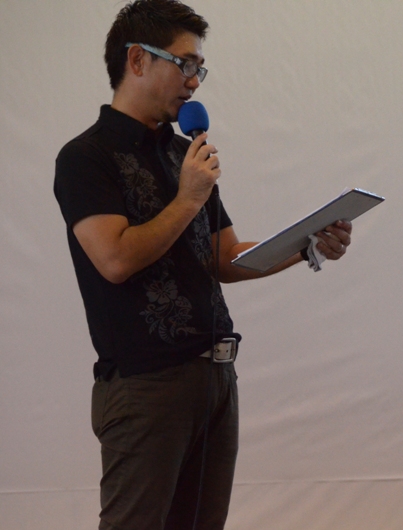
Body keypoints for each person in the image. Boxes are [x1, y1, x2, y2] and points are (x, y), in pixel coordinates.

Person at [53, 1, 352, 529]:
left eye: (199, 68)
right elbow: (115, 259)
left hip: (215, 376)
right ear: (137, 60)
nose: (194, 82)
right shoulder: (86, 157)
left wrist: (309, 243)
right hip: (146, 385)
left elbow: (226, 257)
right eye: (185, 64)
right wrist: (189, 198)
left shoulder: (182, 152)